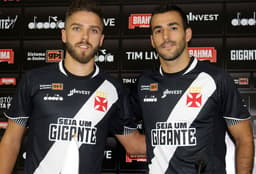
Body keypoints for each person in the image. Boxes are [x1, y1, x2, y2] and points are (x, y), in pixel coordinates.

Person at [0, 0, 146, 173]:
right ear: (64, 35)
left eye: (93, 30)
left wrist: (184, 135)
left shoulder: (113, 89)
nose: (84, 37)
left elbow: (134, 145)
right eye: (77, 28)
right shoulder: (34, 80)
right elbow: (11, 141)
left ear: (101, 39)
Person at [129, 4, 254, 174]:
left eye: (173, 28)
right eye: (158, 30)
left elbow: (244, 139)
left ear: (187, 34)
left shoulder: (216, 79)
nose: (166, 36)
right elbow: (127, 134)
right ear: (152, 40)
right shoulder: (144, 83)